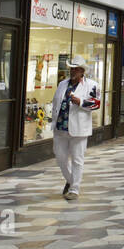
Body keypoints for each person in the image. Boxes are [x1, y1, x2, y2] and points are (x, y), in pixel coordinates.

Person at [51, 55, 100, 200]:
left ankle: (74, 189)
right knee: (60, 158)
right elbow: (56, 103)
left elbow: (96, 104)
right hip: (60, 127)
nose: (72, 71)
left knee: (77, 159)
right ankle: (71, 180)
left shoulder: (92, 85)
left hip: (79, 128)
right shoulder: (62, 84)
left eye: (76, 69)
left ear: (82, 71)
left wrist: (81, 102)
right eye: (71, 68)